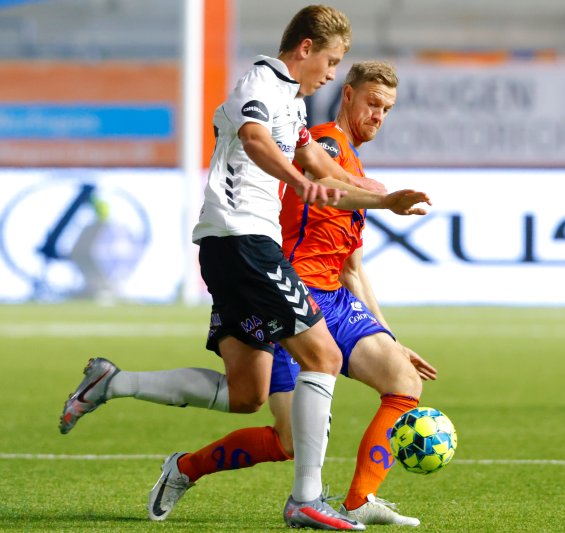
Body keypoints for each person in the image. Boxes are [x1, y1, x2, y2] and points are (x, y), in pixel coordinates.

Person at [58, 6, 430, 531]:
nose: (330, 73)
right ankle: (305, 499)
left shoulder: (295, 107)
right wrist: (301, 184)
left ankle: (112, 383)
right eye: (331, 61)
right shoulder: (260, 80)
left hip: (236, 248)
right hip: (244, 240)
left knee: (245, 392)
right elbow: (256, 141)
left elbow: (321, 167)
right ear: (304, 48)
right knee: (320, 356)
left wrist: (385, 198)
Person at [145, 60, 436, 527]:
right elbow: (314, 177)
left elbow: (352, 268)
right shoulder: (323, 143)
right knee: (288, 441)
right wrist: (377, 197)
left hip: (336, 299)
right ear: (348, 95)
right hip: (292, 292)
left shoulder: (354, 162)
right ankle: (185, 468)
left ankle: (360, 500)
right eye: (372, 103)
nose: (379, 115)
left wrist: (390, 337)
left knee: (404, 382)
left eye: (387, 109)